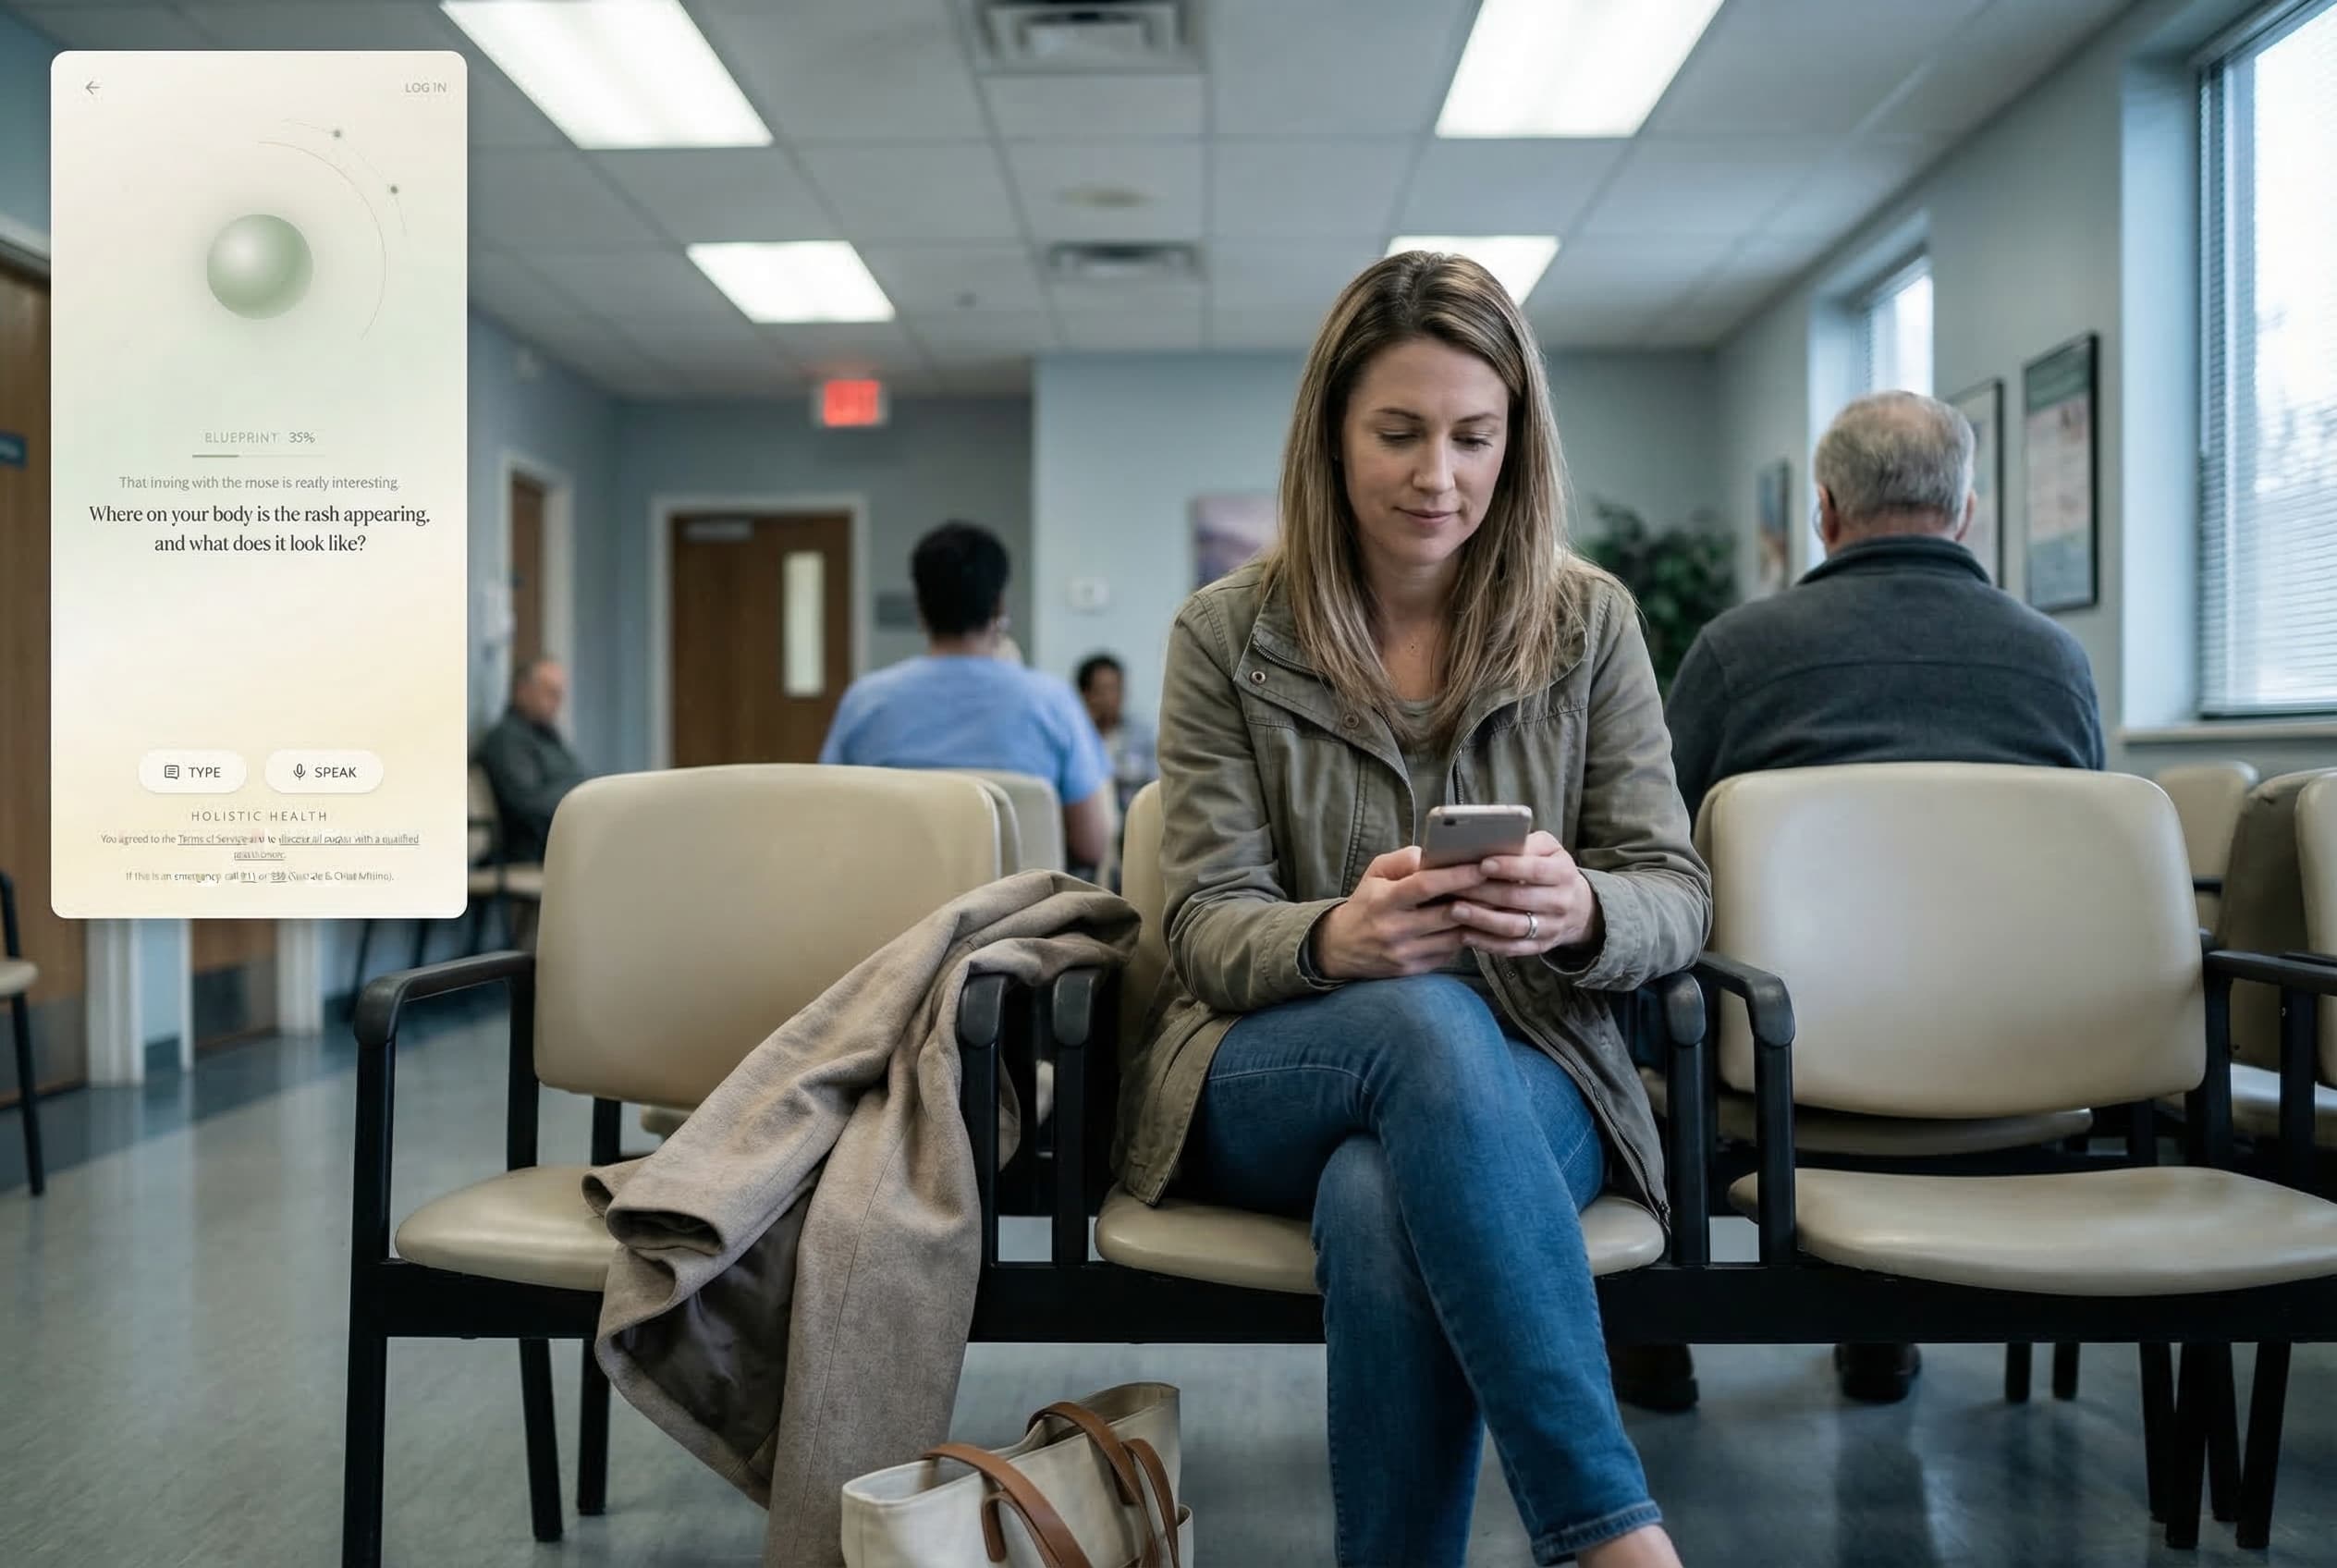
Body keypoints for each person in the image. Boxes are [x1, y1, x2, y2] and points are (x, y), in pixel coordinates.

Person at [1117, 251, 1709, 1568]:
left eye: (1472, 436)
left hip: (1535, 1073)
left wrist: (1582, 909)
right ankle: (1613, 1537)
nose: (1436, 475)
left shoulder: (1589, 623)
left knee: (1383, 1201)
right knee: (1423, 1022)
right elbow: (1202, 924)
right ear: (1331, 434)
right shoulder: (1227, 633)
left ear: (1517, 444)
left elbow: (1676, 896)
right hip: (1271, 1065)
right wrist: (1336, 939)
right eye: (1397, 432)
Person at [1628, 389, 2105, 1413]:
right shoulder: (2056, 666)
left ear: (1824, 512)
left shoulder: (1736, 656)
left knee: (1643, 973)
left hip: (1782, 1062)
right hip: (2018, 1065)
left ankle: (1652, 1332)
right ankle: (1877, 1330)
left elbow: (1653, 857)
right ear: (1966, 511)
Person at [821, 521, 1110, 870]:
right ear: (999, 606)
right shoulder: (1051, 701)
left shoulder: (865, 701)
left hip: (897, 918)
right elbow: (1092, 843)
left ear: (920, 608)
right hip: (1025, 918)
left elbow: (832, 826)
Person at [477, 655, 590, 864]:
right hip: (531, 852)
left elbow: (577, 778)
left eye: (559, 693)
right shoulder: (506, 740)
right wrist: (580, 799)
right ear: (522, 690)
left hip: (567, 841)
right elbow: (527, 804)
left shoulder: (548, 735)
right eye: (549, 691)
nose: (557, 700)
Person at [1077, 652, 1157, 817]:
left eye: (1117, 689)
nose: (1112, 698)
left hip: (1132, 823)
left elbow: (1156, 787)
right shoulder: (1076, 737)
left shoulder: (1142, 735)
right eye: (1103, 690)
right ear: (1086, 694)